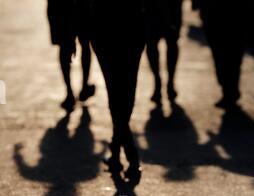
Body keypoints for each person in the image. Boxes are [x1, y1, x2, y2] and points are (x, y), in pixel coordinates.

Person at [90, 1, 145, 182]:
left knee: (116, 94)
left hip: (105, 27)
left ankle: (121, 154)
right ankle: (125, 155)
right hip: (130, 26)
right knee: (125, 94)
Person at [195, 0, 248, 110]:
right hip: (216, 15)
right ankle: (229, 88)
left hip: (233, 15)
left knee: (229, 56)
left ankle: (230, 89)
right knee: (224, 56)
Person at [47, 0, 95, 112]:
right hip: (81, 5)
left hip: (60, 6)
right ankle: (83, 87)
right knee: (85, 42)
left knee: (65, 45)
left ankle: (70, 92)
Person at [145, 0, 183, 105]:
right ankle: (159, 81)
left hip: (170, 6)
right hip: (153, 7)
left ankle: (168, 82)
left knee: (169, 41)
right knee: (153, 43)